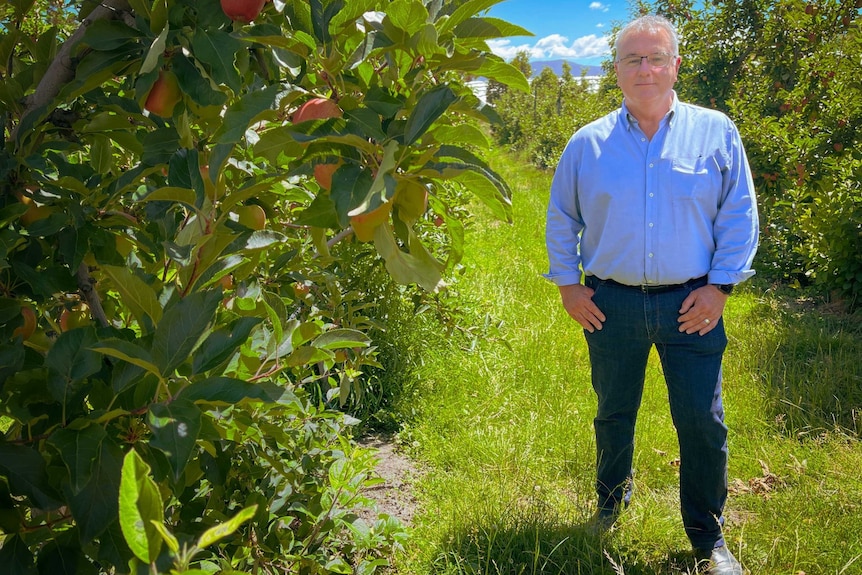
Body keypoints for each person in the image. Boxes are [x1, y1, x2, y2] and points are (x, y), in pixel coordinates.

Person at [544, 14, 758, 575]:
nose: (645, 69)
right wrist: (568, 284)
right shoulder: (587, 145)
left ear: (675, 65)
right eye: (633, 59)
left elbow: (738, 214)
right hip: (610, 304)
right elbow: (562, 218)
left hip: (692, 305)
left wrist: (720, 287)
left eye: (656, 57)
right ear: (615, 71)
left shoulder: (716, 132)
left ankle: (708, 539)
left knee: (702, 423)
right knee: (613, 412)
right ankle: (610, 506)